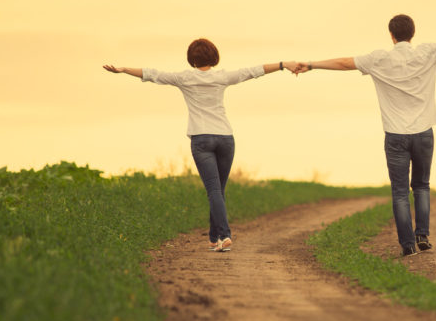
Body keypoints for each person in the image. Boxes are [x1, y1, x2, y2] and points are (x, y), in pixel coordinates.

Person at [291, 13, 436, 256]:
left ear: (391, 35)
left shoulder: (378, 59)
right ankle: (423, 235)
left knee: (399, 192)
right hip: (423, 132)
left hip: (395, 135)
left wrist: (311, 65)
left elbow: (344, 62)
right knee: (422, 186)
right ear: (413, 33)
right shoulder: (427, 52)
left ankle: (407, 245)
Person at [103, 39, 304, 252]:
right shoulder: (222, 76)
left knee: (214, 190)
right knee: (218, 190)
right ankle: (213, 237)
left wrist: (124, 69)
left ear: (191, 59)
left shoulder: (184, 78)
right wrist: (283, 64)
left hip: (202, 139)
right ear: (214, 56)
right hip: (225, 138)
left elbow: (153, 74)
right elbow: (254, 71)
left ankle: (225, 235)